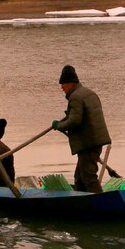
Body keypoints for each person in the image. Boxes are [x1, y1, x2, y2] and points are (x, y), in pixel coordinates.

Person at [51, 65, 111, 193]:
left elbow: (75, 121)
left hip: (88, 143)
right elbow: (79, 116)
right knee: (79, 178)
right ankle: (81, 201)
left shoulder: (76, 97)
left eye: (63, 84)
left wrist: (59, 126)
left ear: (70, 83)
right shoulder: (89, 93)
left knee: (88, 177)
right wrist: (64, 121)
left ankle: (100, 205)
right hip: (94, 141)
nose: (61, 87)